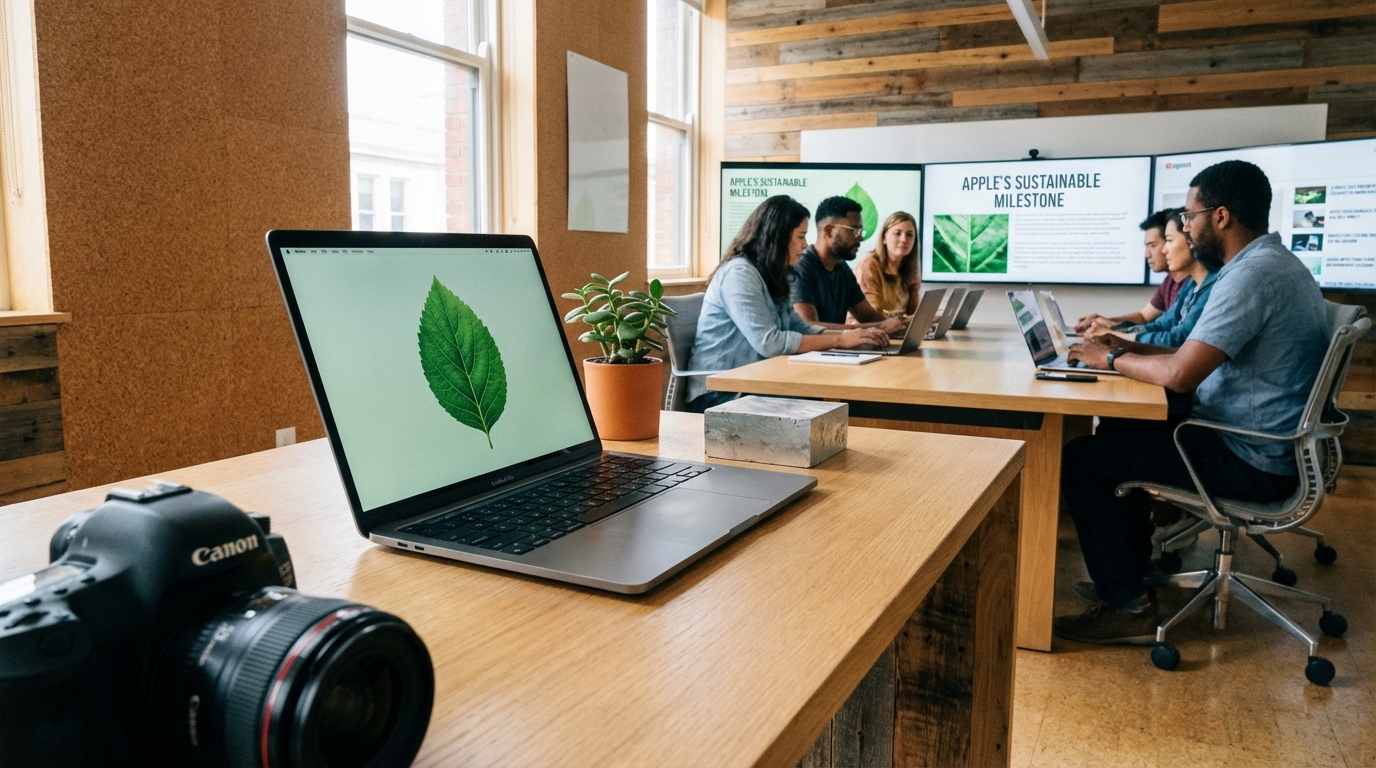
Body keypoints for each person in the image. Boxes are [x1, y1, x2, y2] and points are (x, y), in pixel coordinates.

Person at [1053, 160, 1329, 644]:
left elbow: (1181, 375)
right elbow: (1191, 351)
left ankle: (1129, 605)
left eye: (1189, 215)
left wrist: (1109, 362)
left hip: (1250, 455)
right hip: (1259, 441)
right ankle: (1126, 577)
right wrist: (1127, 347)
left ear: (1220, 217)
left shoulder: (1250, 278)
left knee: (1081, 460)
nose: (1184, 226)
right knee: (1118, 434)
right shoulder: (1272, 264)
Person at [683, 195, 892, 414]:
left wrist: (853, 339)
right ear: (778, 237)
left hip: (753, 383)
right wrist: (840, 339)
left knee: (834, 399)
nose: (805, 245)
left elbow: (800, 327)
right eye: (801, 236)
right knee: (822, 405)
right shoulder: (740, 274)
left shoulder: (773, 274)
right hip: (718, 393)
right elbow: (769, 342)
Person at [1085, 209, 1218, 351]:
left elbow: (1178, 339)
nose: (1164, 250)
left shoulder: (1210, 286)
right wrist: (1114, 331)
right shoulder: (1191, 285)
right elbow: (1160, 325)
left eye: (1169, 241)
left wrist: (1113, 334)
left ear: (1191, 240)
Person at [790, 196, 908, 334]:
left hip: (834, 352)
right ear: (828, 231)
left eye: (860, 230)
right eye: (853, 230)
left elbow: (868, 316)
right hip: (809, 354)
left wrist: (904, 325)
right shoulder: (801, 267)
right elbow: (809, 327)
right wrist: (880, 327)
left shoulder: (842, 267)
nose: (860, 237)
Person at [1074, 210, 1183, 335]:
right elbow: (1144, 317)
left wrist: (1112, 330)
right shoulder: (1170, 280)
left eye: (1153, 245)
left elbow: (1173, 338)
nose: (1146, 254)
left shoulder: (1194, 284)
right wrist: (1104, 322)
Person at [851, 212, 920, 316]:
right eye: (897, 233)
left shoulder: (910, 268)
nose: (904, 239)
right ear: (884, 238)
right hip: (866, 330)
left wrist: (927, 321)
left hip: (896, 331)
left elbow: (913, 313)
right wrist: (909, 322)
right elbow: (872, 317)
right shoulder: (869, 265)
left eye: (910, 235)